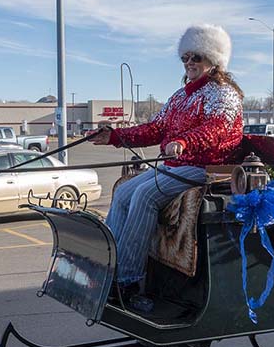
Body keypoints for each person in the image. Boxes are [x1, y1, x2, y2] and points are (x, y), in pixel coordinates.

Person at [89, 23, 244, 289]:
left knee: (144, 196)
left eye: (196, 57)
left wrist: (185, 141)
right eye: (185, 57)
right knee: (125, 192)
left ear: (214, 60)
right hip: (176, 167)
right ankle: (108, 263)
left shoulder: (225, 94)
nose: (189, 62)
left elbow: (217, 127)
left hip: (206, 167)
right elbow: (155, 129)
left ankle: (127, 279)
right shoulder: (180, 97)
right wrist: (114, 137)